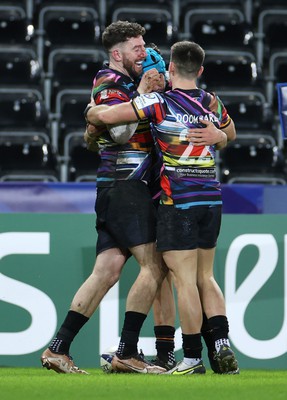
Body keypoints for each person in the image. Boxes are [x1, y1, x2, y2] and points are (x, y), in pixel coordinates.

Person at [85, 40, 239, 375]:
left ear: (169, 69)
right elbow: (231, 133)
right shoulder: (213, 101)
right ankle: (223, 350)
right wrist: (220, 138)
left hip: (177, 200)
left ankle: (193, 357)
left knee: (183, 281)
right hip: (211, 199)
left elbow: (111, 118)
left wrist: (90, 111)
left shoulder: (159, 101)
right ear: (199, 71)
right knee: (206, 277)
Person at [41, 21, 174, 375]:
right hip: (125, 186)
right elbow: (118, 133)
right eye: (136, 48)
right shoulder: (110, 82)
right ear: (117, 54)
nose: (143, 53)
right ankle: (127, 352)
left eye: (143, 46)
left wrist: (148, 86)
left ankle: (58, 348)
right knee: (154, 266)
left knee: (106, 272)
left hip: (118, 189)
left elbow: (99, 132)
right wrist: (145, 90)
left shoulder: (124, 84)